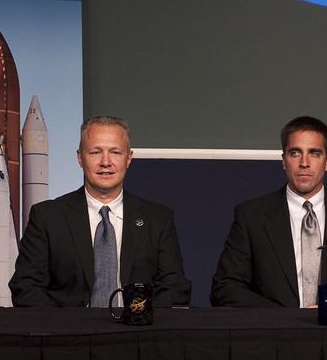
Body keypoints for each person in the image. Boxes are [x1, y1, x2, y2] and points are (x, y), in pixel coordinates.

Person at [211, 116, 327, 307]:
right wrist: (284, 318)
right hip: (273, 325)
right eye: (295, 153)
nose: (304, 163)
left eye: (314, 153)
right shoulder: (251, 216)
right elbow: (225, 288)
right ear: (284, 160)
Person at [10, 116, 191, 306]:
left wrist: (138, 317)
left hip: (137, 323)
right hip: (68, 325)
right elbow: (26, 288)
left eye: (115, 152)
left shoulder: (158, 219)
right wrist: (69, 323)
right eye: (96, 152)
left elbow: (174, 289)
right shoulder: (47, 217)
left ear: (128, 158)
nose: (106, 162)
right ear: (80, 157)